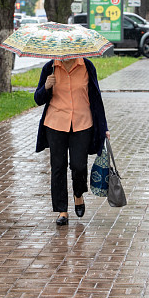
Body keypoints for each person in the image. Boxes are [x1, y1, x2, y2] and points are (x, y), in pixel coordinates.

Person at [34, 57, 110, 226]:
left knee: (79, 165)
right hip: (55, 123)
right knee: (58, 166)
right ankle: (62, 210)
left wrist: (104, 127)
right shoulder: (50, 67)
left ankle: (78, 194)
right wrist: (46, 86)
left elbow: (96, 99)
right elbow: (38, 99)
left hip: (82, 123)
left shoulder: (87, 66)